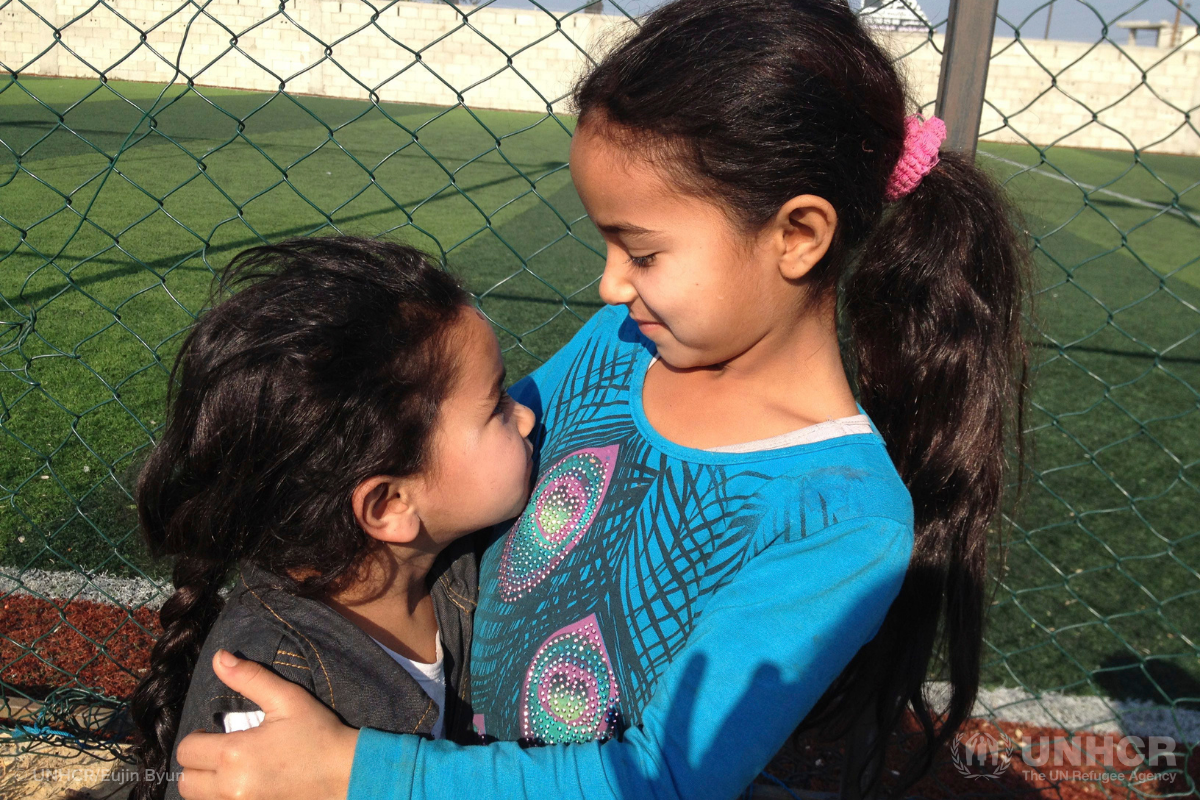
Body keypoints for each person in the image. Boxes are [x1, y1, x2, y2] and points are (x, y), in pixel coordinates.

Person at [173, 1, 1030, 798]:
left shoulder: (838, 518)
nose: (610, 283)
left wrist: (361, 770)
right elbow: (446, 466)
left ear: (797, 235)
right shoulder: (618, 350)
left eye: (643, 252)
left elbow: (665, 777)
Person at [127, 236, 536, 800]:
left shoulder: (452, 564)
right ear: (390, 505)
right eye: (496, 405)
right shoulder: (271, 693)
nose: (528, 416)